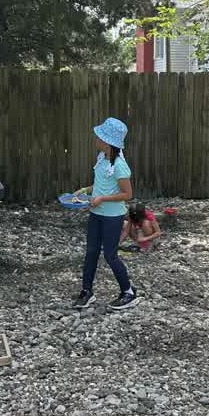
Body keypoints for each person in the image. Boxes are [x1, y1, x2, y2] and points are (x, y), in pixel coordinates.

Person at [72, 117, 138, 310]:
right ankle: (87, 291)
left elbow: (127, 194)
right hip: (96, 213)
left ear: (108, 142)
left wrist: (102, 199)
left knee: (110, 254)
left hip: (112, 217)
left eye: (99, 136)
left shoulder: (119, 166)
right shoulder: (102, 160)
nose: (95, 139)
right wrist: (86, 190)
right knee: (91, 251)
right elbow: (102, 185)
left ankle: (129, 292)